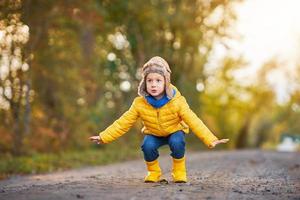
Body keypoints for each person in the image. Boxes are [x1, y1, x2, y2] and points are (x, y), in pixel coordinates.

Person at [89, 56, 229, 183]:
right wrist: (104, 137)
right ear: (144, 83)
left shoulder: (177, 101)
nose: (153, 84)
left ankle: (179, 171)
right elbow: (123, 122)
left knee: (177, 142)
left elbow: (193, 120)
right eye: (149, 80)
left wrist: (210, 139)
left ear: (166, 82)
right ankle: (154, 172)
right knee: (147, 146)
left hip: (174, 130)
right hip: (154, 133)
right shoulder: (140, 103)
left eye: (158, 80)